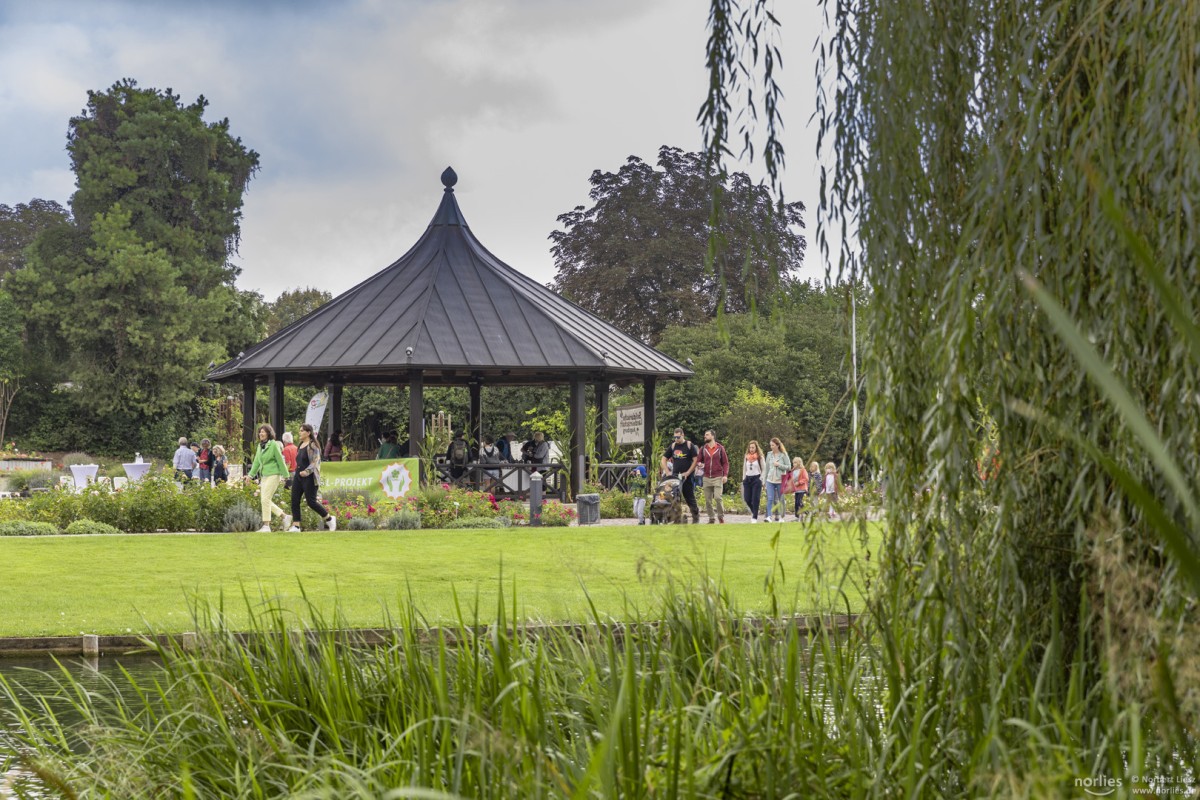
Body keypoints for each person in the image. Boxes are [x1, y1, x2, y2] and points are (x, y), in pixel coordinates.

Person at [285, 423, 337, 532]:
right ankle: (296, 526)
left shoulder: (313, 445)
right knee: (294, 500)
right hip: (298, 476)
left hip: (310, 477)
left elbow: (316, 461)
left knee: (311, 502)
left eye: (302, 430)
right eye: (299, 430)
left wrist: (307, 471)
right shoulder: (300, 445)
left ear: (308, 433)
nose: (299, 432)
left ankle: (330, 519)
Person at [245, 423, 289, 532]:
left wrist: (286, 476)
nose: (261, 433)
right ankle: (284, 516)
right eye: (260, 432)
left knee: (265, 499)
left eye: (263, 432)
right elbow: (256, 462)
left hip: (274, 474)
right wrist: (250, 475)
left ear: (269, 433)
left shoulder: (273, 444)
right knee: (264, 500)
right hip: (264, 475)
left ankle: (266, 526)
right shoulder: (260, 446)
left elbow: (280, 460)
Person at [661, 428, 700, 524]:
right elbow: (663, 459)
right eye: (675, 437)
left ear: (683, 435)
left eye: (678, 437)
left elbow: (695, 460)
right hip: (675, 476)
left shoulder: (689, 445)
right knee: (675, 497)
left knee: (689, 496)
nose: (676, 439)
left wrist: (688, 472)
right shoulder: (673, 446)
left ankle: (695, 517)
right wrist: (667, 471)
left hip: (687, 476)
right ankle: (677, 518)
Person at [698, 429, 729, 524]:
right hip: (706, 477)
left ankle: (720, 517)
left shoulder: (720, 448)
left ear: (712, 436)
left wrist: (725, 475)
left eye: (707, 435)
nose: (705, 436)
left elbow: (725, 463)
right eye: (705, 435)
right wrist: (700, 464)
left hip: (718, 477)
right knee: (707, 500)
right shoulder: (703, 449)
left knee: (718, 498)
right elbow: (699, 460)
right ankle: (711, 518)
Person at [763, 437, 790, 522]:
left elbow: (789, 467)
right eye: (770, 445)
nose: (771, 447)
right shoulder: (769, 454)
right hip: (770, 480)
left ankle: (782, 517)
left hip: (780, 481)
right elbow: (767, 468)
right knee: (770, 498)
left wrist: (779, 465)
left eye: (773, 445)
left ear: (777, 445)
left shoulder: (783, 455)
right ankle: (769, 517)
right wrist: (764, 481)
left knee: (781, 499)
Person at [742, 441, 764, 522]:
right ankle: (755, 511)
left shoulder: (759, 457)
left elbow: (764, 468)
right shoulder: (746, 457)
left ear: (756, 448)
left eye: (753, 447)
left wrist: (761, 479)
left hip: (756, 479)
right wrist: (744, 478)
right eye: (750, 447)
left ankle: (754, 517)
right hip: (747, 479)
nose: (751, 449)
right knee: (747, 499)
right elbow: (744, 468)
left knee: (755, 498)